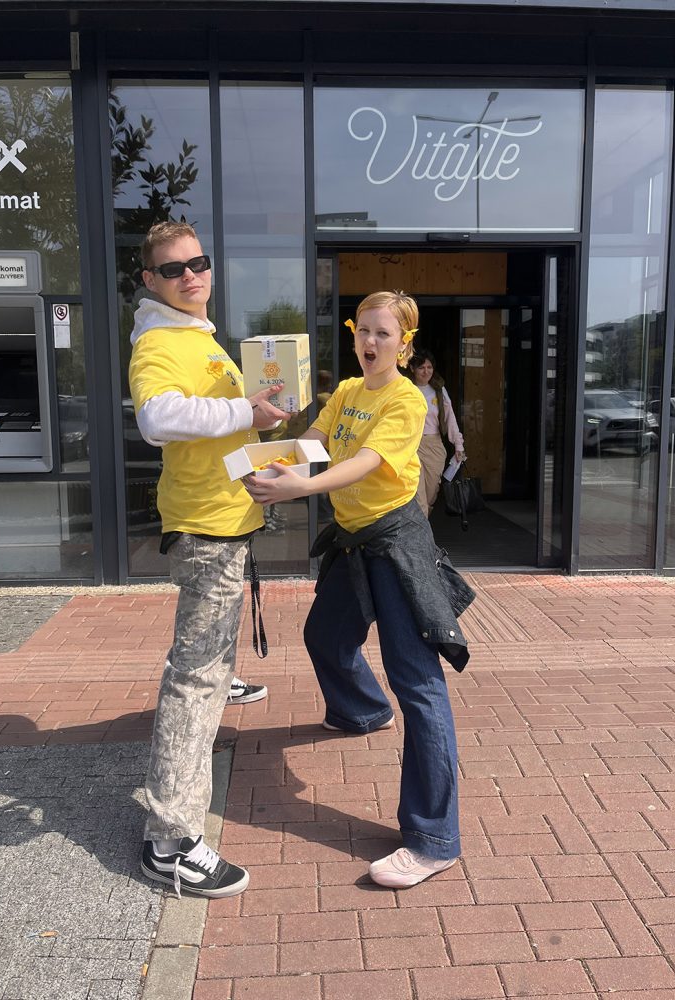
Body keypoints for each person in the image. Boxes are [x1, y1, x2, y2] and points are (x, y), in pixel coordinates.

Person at [244, 290, 474, 889]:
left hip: (396, 543)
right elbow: (316, 444)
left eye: (383, 333)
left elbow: (369, 461)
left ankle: (434, 840)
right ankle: (363, 711)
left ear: (404, 344)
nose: (370, 342)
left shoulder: (407, 399)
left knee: (417, 683)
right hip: (352, 541)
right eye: (363, 330)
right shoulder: (347, 391)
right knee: (325, 634)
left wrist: (299, 489)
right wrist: (265, 462)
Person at [128, 220, 289, 898]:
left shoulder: (201, 336)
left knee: (207, 669)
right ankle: (169, 842)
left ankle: (224, 678)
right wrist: (245, 415)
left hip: (225, 519)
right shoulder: (159, 341)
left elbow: (219, 434)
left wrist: (270, 447)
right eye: (173, 269)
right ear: (150, 280)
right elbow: (158, 419)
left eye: (198, 263)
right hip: (205, 530)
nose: (191, 275)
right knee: (192, 682)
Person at [409, 349, 465, 518]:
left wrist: (459, 445)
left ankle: (421, 525)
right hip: (411, 446)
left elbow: (450, 418)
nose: (426, 371)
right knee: (418, 495)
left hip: (434, 446)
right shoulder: (405, 389)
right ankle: (422, 532)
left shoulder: (439, 390)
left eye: (429, 367)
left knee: (431, 495)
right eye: (421, 368)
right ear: (412, 369)